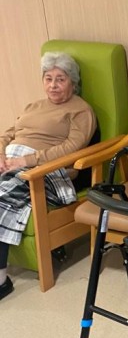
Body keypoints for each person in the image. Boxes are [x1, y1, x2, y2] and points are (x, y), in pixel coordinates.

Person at [0, 52, 97, 300]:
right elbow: (8, 134)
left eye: (60, 79)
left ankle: (1, 281)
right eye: (48, 78)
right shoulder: (33, 106)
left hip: (47, 172)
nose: (53, 85)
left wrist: (26, 161)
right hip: (10, 162)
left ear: (72, 82)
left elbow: (72, 148)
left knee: (2, 200)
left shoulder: (80, 110)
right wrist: (1, 155)